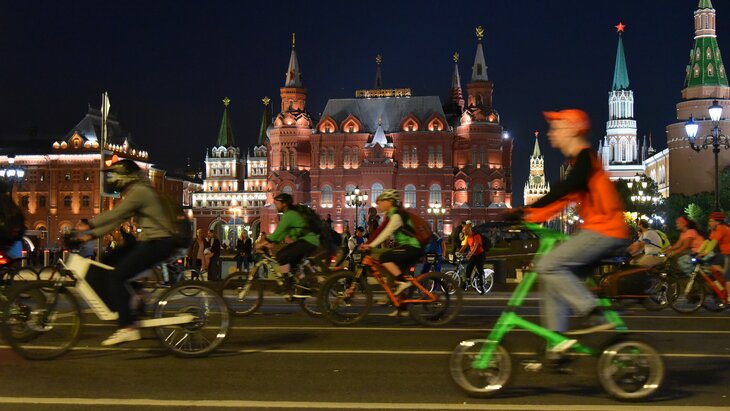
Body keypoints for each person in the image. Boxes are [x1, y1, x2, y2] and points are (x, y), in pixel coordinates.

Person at [513, 109, 629, 343]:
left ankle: (593, 311)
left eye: (556, 128)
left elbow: (565, 187)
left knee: (547, 264)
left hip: (605, 231)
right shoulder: (578, 162)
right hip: (600, 231)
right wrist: (525, 216)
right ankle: (558, 341)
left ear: (572, 130)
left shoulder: (586, 159)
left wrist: (526, 210)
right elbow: (561, 200)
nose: (550, 133)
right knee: (551, 276)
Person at [77, 159, 178, 346]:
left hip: (158, 242)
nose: (112, 178)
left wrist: (89, 225)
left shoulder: (140, 191)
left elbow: (116, 214)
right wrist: (90, 236)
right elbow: (119, 219)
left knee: (116, 277)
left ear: (125, 176)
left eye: (115, 174)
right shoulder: (139, 190)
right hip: (154, 241)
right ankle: (136, 297)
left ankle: (127, 327)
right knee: (110, 261)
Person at [360, 189, 422, 317]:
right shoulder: (391, 215)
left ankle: (403, 284)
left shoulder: (396, 216)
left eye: (381, 202)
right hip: (409, 247)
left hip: (412, 246)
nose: (379, 205)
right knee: (395, 274)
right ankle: (402, 307)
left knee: (384, 257)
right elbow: (380, 230)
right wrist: (370, 243)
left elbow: (386, 233)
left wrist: (370, 245)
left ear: (389, 202)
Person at [257, 193, 319, 298]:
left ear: (284, 204)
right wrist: (272, 243)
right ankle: (305, 287)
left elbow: (278, 232)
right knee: (294, 267)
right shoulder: (289, 214)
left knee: (281, 255)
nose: (276, 206)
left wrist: (262, 243)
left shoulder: (289, 214)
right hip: (308, 241)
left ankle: (287, 286)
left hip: (308, 241)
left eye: (277, 203)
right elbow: (282, 234)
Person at [704, 212, 730, 303]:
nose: (709, 223)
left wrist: (705, 252)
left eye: (711, 221)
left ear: (717, 222)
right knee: (712, 265)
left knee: (727, 275)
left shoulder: (721, 228)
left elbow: (714, 242)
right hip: (724, 253)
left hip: (728, 254)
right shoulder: (715, 230)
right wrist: (698, 252)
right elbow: (708, 241)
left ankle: (729, 298)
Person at [458, 221, 487, 293]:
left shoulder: (477, 236)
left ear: (469, 230)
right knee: (468, 269)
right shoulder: (468, 237)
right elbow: (465, 246)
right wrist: (458, 253)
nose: (463, 232)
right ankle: (467, 284)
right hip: (473, 255)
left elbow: (475, 247)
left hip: (480, 255)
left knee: (480, 270)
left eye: (464, 230)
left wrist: (470, 254)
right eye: (463, 230)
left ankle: (482, 287)